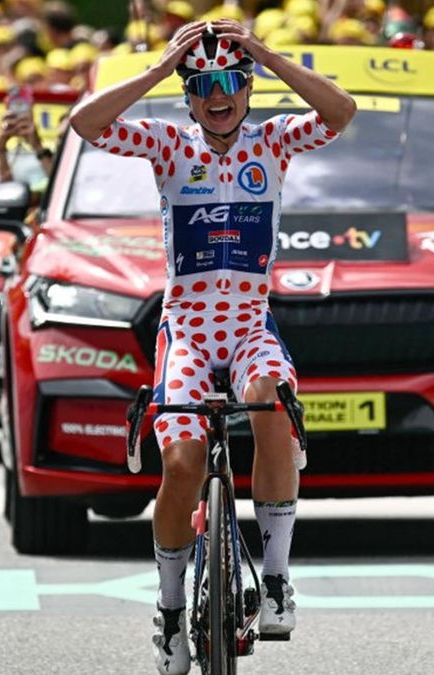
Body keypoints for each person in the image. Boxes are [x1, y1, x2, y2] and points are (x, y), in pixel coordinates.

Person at [68, 19, 356, 675]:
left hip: (251, 326)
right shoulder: (169, 145)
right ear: (188, 96)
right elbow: (86, 124)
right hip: (189, 333)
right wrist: (157, 67)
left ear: (247, 87)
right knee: (183, 462)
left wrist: (263, 53)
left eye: (230, 82)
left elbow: (341, 111)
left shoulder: (274, 141)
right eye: (201, 86)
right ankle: (170, 614)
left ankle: (278, 578)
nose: (217, 95)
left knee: (271, 407)